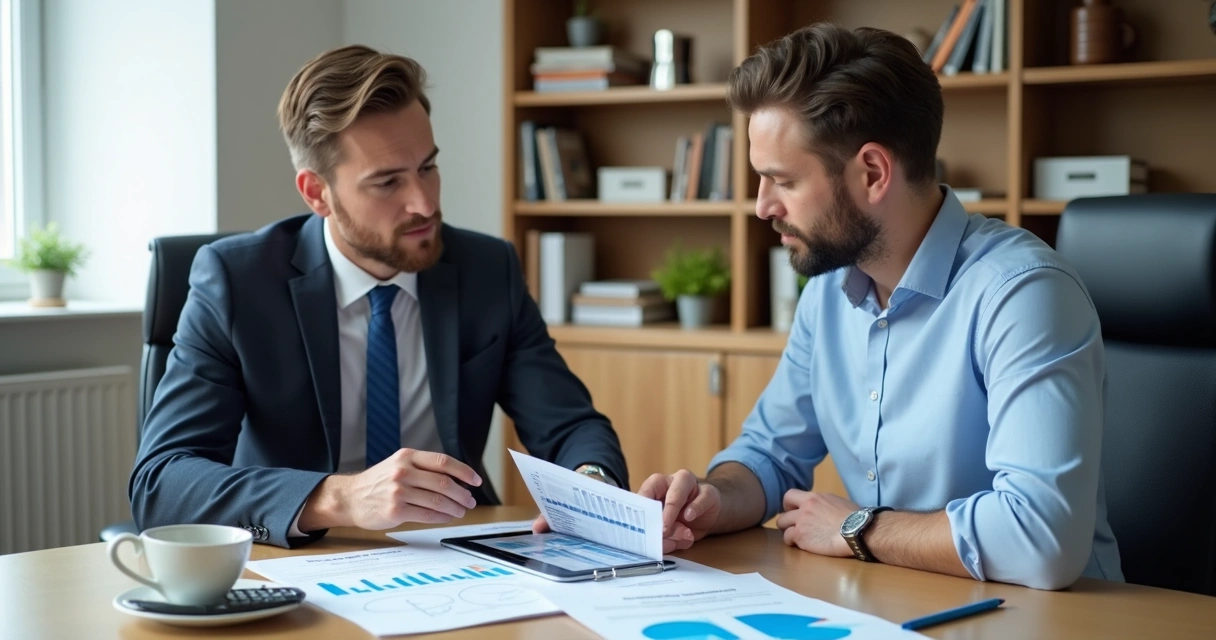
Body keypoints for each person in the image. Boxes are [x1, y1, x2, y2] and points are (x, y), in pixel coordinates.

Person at [641, 24, 1124, 591]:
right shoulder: (829, 290)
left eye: (782, 181)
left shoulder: (1023, 293)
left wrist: (857, 528)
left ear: (872, 173)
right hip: (892, 601)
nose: (762, 207)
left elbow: (1041, 537)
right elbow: (770, 455)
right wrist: (710, 500)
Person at [129, 45, 627, 548]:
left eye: (428, 167)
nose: (425, 203)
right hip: (300, 558)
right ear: (316, 193)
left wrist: (593, 485)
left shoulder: (486, 269)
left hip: (458, 553)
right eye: (388, 182)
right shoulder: (237, 282)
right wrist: (340, 498)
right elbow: (162, 485)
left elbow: (568, 424)